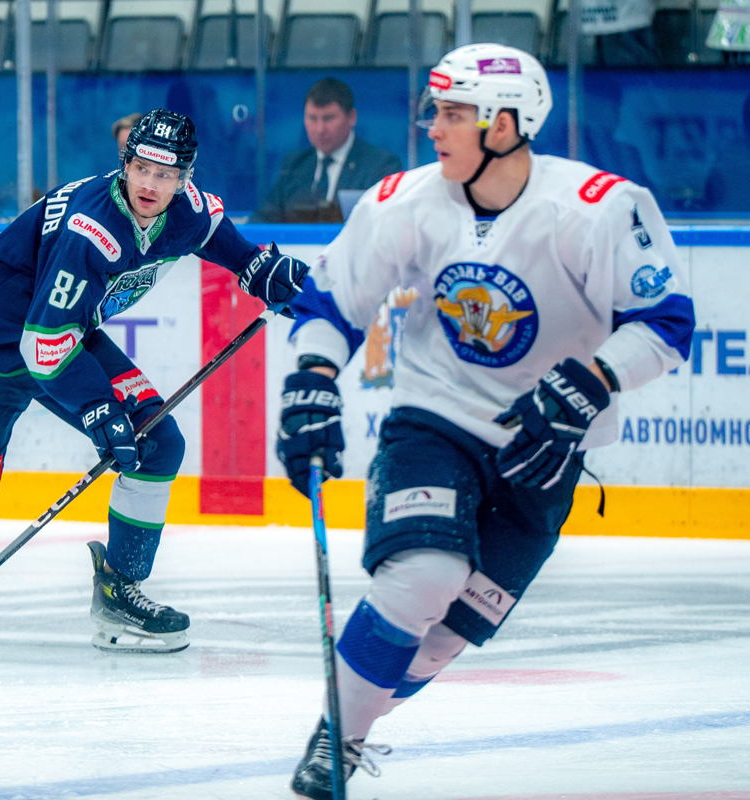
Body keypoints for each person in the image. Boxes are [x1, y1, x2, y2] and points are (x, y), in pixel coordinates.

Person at [275, 44, 695, 798]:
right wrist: (312, 378)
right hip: (435, 419)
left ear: (504, 124)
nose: (433, 128)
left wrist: (591, 382)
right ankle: (341, 740)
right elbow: (333, 300)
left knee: (447, 636)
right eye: (434, 111)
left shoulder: (599, 207)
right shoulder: (406, 201)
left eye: (452, 113)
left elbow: (665, 323)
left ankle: (351, 716)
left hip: (546, 447)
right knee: (422, 577)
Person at [0, 109, 309, 654]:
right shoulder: (91, 229)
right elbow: (42, 346)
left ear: (185, 177)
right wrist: (96, 407)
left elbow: (218, 236)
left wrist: (261, 270)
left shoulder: (186, 209)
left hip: (63, 333)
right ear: (124, 164)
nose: (150, 185)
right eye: (141, 169)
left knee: (156, 443)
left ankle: (118, 591)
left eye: (165, 174)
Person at [254, 78, 402, 223]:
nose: (320, 129)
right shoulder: (295, 164)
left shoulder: (381, 165)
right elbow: (263, 220)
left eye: (328, 118)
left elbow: (388, 224)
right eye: (312, 118)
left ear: (351, 117)